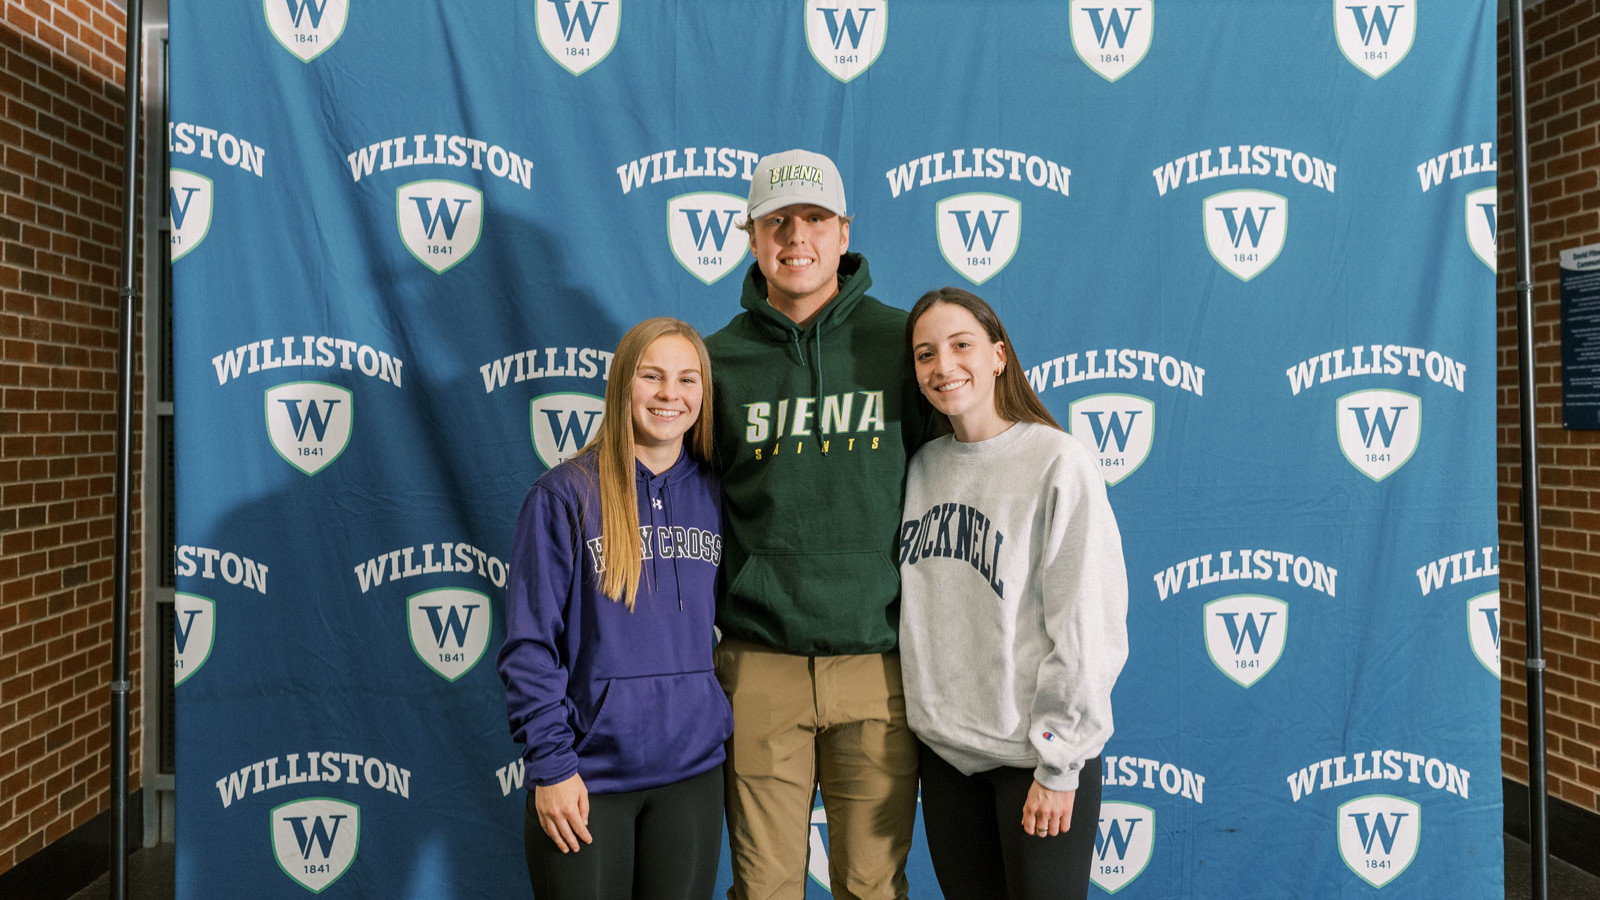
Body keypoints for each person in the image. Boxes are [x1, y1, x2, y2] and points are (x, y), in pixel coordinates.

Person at [705, 149, 930, 900]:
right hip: (760, 664)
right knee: (765, 888)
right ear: (750, 236)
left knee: (872, 886)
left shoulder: (904, 343)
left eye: (813, 219)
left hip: (878, 661)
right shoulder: (715, 363)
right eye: (776, 221)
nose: (795, 236)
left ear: (843, 234)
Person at [896, 287, 1129, 900]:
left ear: (999, 355)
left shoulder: (1058, 462)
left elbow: (1086, 625)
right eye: (925, 354)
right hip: (948, 762)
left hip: (1034, 760)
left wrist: (1059, 763)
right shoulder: (920, 468)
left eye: (961, 345)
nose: (943, 366)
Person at [497, 317, 733, 900]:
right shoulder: (564, 495)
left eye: (686, 379)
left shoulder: (718, 492)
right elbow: (529, 647)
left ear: (704, 394)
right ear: (622, 386)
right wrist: (551, 765)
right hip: (587, 776)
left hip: (692, 773)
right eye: (651, 377)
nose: (669, 395)